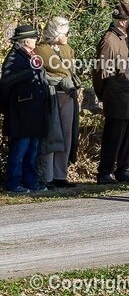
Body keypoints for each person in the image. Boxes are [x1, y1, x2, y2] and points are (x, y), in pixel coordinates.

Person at [0, 25, 50, 193]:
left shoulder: (31, 55)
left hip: (34, 111)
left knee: (32, 150)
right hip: (21, 112)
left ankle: (31, 181)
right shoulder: (14, 57)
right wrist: (28, 73)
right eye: (33, 38)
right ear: (25, 41)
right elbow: (6, 82)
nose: (36, 40)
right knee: (19, 150)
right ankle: (13, 183)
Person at [93, 8, 129, 184]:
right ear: (122, 22)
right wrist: (103, 94)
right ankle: (104, 172)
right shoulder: (109, 40)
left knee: (126, 135)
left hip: (128, 95)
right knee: (113, 135)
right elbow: (100, 72)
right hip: (115, 95)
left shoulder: (124, 39)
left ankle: (122, 170)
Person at [35, 17, 80, 188]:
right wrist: (58, 80)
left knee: (67, 136)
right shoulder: (40, 50)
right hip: (50, 96)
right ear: (57, 33)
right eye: (65, 32)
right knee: (51, 136)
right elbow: (40, 74)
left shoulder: (68, 49)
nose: (68, 35)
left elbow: (71, 71)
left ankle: (61, 175)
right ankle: (48, 176)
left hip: (67, 96)